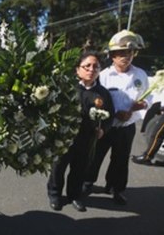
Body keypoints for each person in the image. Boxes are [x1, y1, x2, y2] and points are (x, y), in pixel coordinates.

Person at [83, 30, 150, 205]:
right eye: (121, 53)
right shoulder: (103, 75)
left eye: (129, 53)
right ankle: (87, 184)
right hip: (105, 126)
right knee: (95, 156)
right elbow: (95, 99)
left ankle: (116, 189)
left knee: (120, 160)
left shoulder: (141, 75)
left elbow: (148, 97)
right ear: (112, 56)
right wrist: (113, 113)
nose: (125, 57)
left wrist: (141, 105)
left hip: (127, 127)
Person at [47, 51, 114, 212]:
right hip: (64, 137)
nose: (91, 69)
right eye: (87, 66)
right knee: (58, 167)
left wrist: (103, 129)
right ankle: (55, 194)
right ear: (78, 70)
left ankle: (74, 195)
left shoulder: (103, 93)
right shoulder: (66, 88)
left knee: (80, 169)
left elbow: (110, 115)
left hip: (87, 139)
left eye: (96, 66)